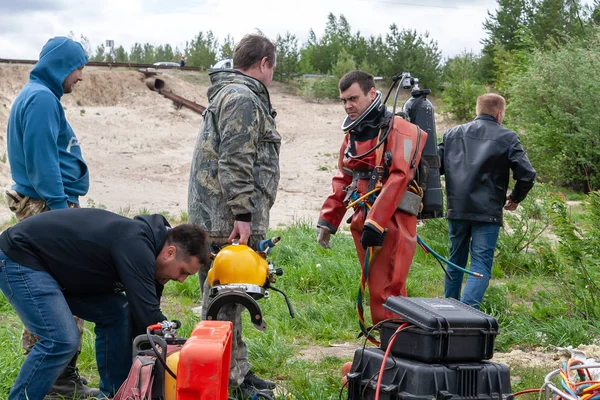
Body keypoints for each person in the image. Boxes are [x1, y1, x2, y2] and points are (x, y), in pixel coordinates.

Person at [0, 208, 210, 400]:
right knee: (61, 341)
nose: (181, 280)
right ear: (170, 252)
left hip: (59, 270)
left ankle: (116, 394)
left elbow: (143, 321)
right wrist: (180, 350)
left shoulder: (153, 253)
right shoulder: (136, 244)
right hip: (22, 258)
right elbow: (149, 315)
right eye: (183, 271)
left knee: (118, 312)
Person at [187, 32, 279, 400]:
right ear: (264, 64)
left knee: (235, 297)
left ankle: (236, 372)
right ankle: (220, 379)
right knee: (225, 298)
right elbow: (236, 159)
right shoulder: (241, 97)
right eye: (273, 67)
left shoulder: (235, 93)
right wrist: (243, 213)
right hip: (226, 219)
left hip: (225, 215)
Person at [4, 36, 94, 399]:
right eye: (79, 68)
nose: (81, 77)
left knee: (51, 291)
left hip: (47, 205)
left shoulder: (40, 96)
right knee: (57, 294)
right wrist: (61, 213)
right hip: (47, 206)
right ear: (62, 66)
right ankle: (56, 379)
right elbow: (43, 165)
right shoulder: (41, 99)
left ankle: (58, 375)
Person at [316, 70, 427, 325]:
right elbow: (344, 178)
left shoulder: (399, 129)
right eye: (343, 100)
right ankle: (387, 343)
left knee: (389, 288)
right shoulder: (353, 136)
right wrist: (328, 221)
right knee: (376, 286)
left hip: (393, 220)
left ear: (372, 94)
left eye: (353, 98)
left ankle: (395, 346)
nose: (348, 106)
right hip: (363, 218)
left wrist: (375, 223)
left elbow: (400, 176)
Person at [438, 93, 536, 309]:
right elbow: (527, 173)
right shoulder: (508, 137)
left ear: (477, 110)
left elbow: (435, 167)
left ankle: (448, 314)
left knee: (455, 261)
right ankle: (466, 318)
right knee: (480, 265)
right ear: (499, 113)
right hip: (488, 212)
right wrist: (516, 197)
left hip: (457, 209)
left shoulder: (452, 134)